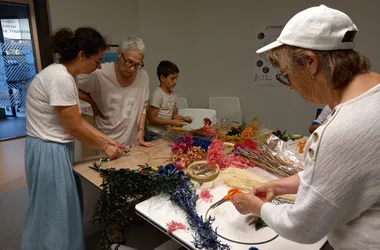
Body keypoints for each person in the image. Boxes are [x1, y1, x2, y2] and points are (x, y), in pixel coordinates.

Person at [231, 5, 380, 249]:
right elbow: (346, 172)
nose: (290, 86)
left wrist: (257, 208)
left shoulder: (345, 129)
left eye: (287, 75)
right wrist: (279, 186)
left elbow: (304, 227)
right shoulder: (371, 93)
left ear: (311, 62)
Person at [22, 27, 122, 250]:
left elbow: (77, 122)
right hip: (48, 150)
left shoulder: (63, 75)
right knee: (53, 211)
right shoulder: (60, 79)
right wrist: (106, 148)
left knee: (62, 207)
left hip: (51, 148)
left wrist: (107, 139)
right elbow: (75, 128)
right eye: (97, 60)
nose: (98, 67)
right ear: (81, 55)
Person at [77, 36, 153, 147]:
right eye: (129, 62)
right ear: (119, 53)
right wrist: (91, 101)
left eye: (137, 64)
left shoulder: (143, 77)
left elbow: (143, 107)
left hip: (132, 141)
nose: (132, 68)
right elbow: (72, 86)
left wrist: (141, 130)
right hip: (105, 140)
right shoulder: (99, 73)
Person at [146, 60, 192, 137]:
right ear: (162, 78)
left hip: (164, 132)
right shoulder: (157, 94)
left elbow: (174, 115)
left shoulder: (174, 95)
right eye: (172, 78)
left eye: (176, 78)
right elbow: (152, 118)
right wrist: (172, 122)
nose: (175, 82)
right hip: (153, 133)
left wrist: (183, 119)